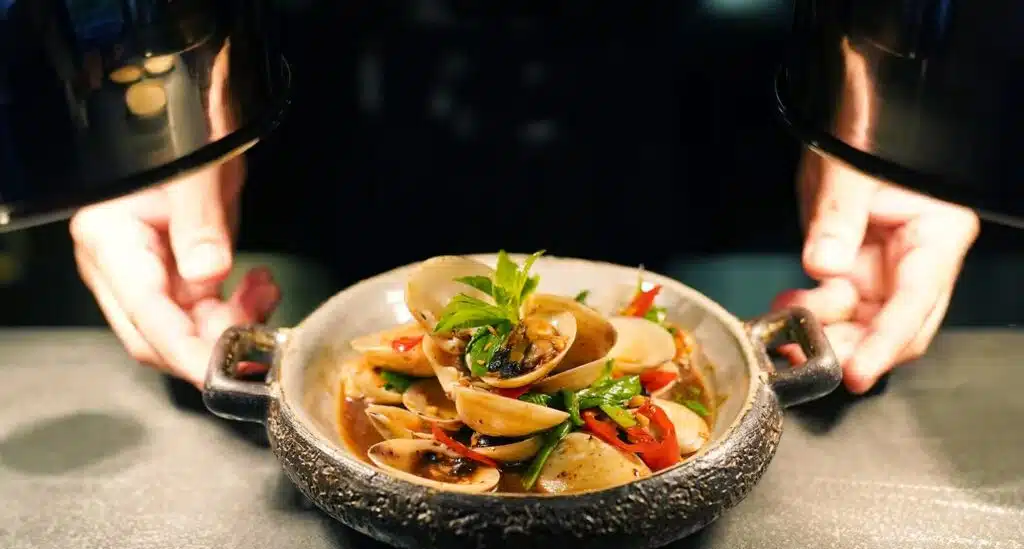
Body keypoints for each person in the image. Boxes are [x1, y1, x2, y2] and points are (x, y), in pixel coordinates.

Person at [68, 6, 979, 396]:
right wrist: (156, 106)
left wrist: (898, 111)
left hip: (657, 88)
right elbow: (139, 51)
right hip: (353, 86)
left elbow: (909, 40)